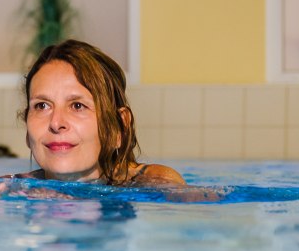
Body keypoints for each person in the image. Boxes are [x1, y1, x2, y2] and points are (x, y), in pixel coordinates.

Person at [13, 39, 184, 187]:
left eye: (77, 106)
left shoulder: (157, 183)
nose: (56, 123)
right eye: (42, 106)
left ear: (119, 127)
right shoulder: (6, 191)